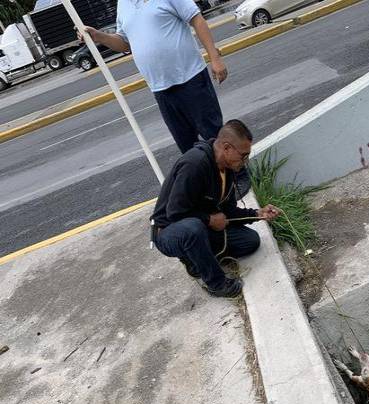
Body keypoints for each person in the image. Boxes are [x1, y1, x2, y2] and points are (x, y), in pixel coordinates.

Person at [81, 0, 250, 195]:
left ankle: (238, 177)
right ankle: (208, 189)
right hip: (160, 88)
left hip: (191, 77)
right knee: (188, 146)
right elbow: (124, 42)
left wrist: (215, 57)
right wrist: (97, 36)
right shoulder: (124, 4)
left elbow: (197, 20)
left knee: (214, 135)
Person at [151, 119, 281, 297]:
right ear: (227, 148)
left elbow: (228, 211)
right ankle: (216, 283)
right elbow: (175, 213)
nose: (245, 161)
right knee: (192, 230)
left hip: (200, 226)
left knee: (250, 241)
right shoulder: (195, 164)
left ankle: (200, 257)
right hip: (169, 232)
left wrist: (258, 214)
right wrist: (209, 219)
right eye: (243, 155)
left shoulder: (226, 168)